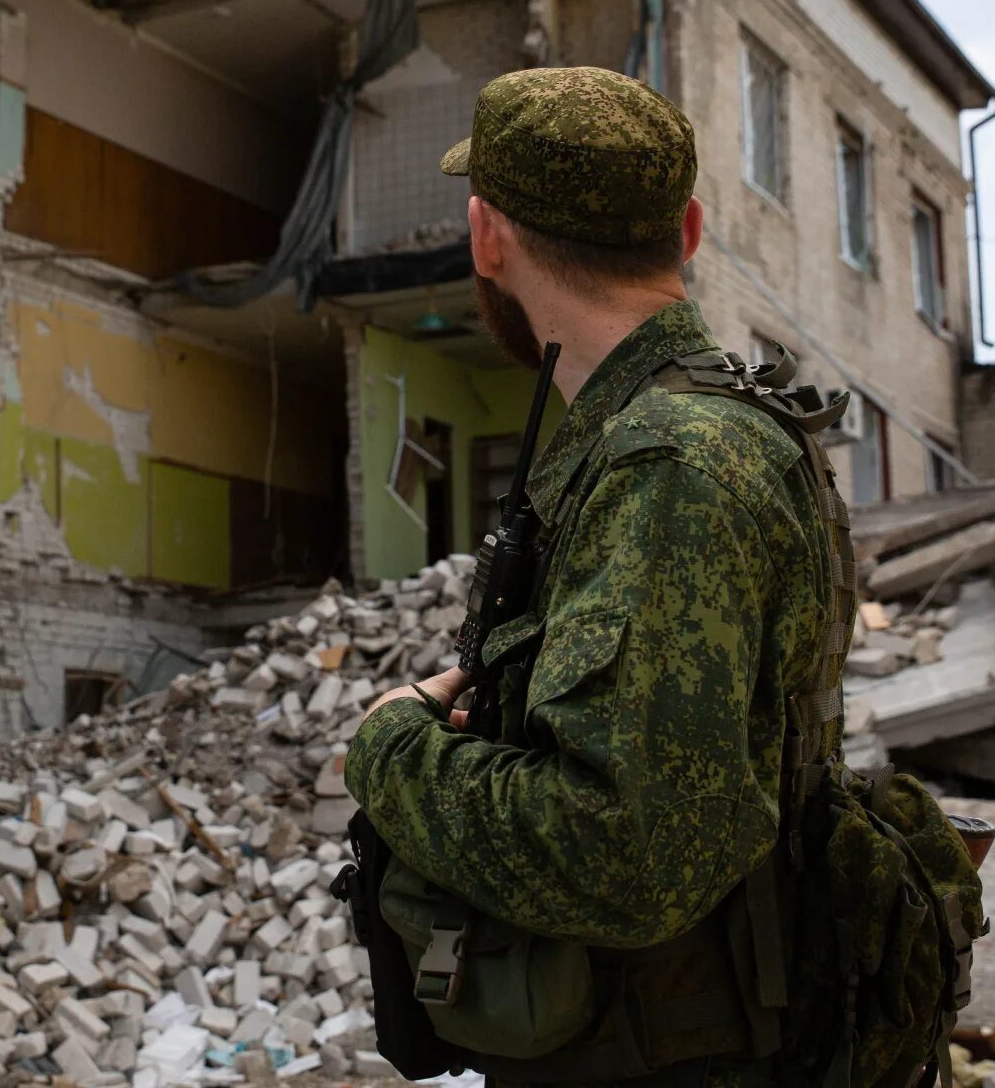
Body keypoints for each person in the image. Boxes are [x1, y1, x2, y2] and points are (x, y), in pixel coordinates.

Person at [343, 65, 851, 1087]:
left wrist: (390, 747)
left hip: (668, 1054)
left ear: (486, 237)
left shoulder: (670, 466)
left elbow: (625, 851)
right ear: (692, 230)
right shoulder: (690, 432)